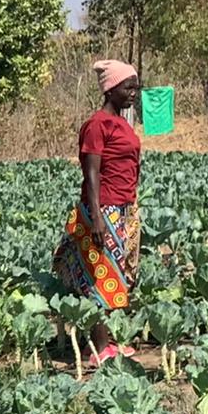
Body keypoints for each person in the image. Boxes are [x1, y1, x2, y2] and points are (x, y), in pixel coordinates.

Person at [54, 60, 145, 367]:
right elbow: (91, 172)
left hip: (123, 209)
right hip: (103, 210)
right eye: (127, 87)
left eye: (135, 86)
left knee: (119, 280)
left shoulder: (122, 123)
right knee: (100, 279)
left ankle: (113, 341)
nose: (133, 92)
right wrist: (97, 218)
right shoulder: (97, 125)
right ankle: (101, 347)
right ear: (110, 89)